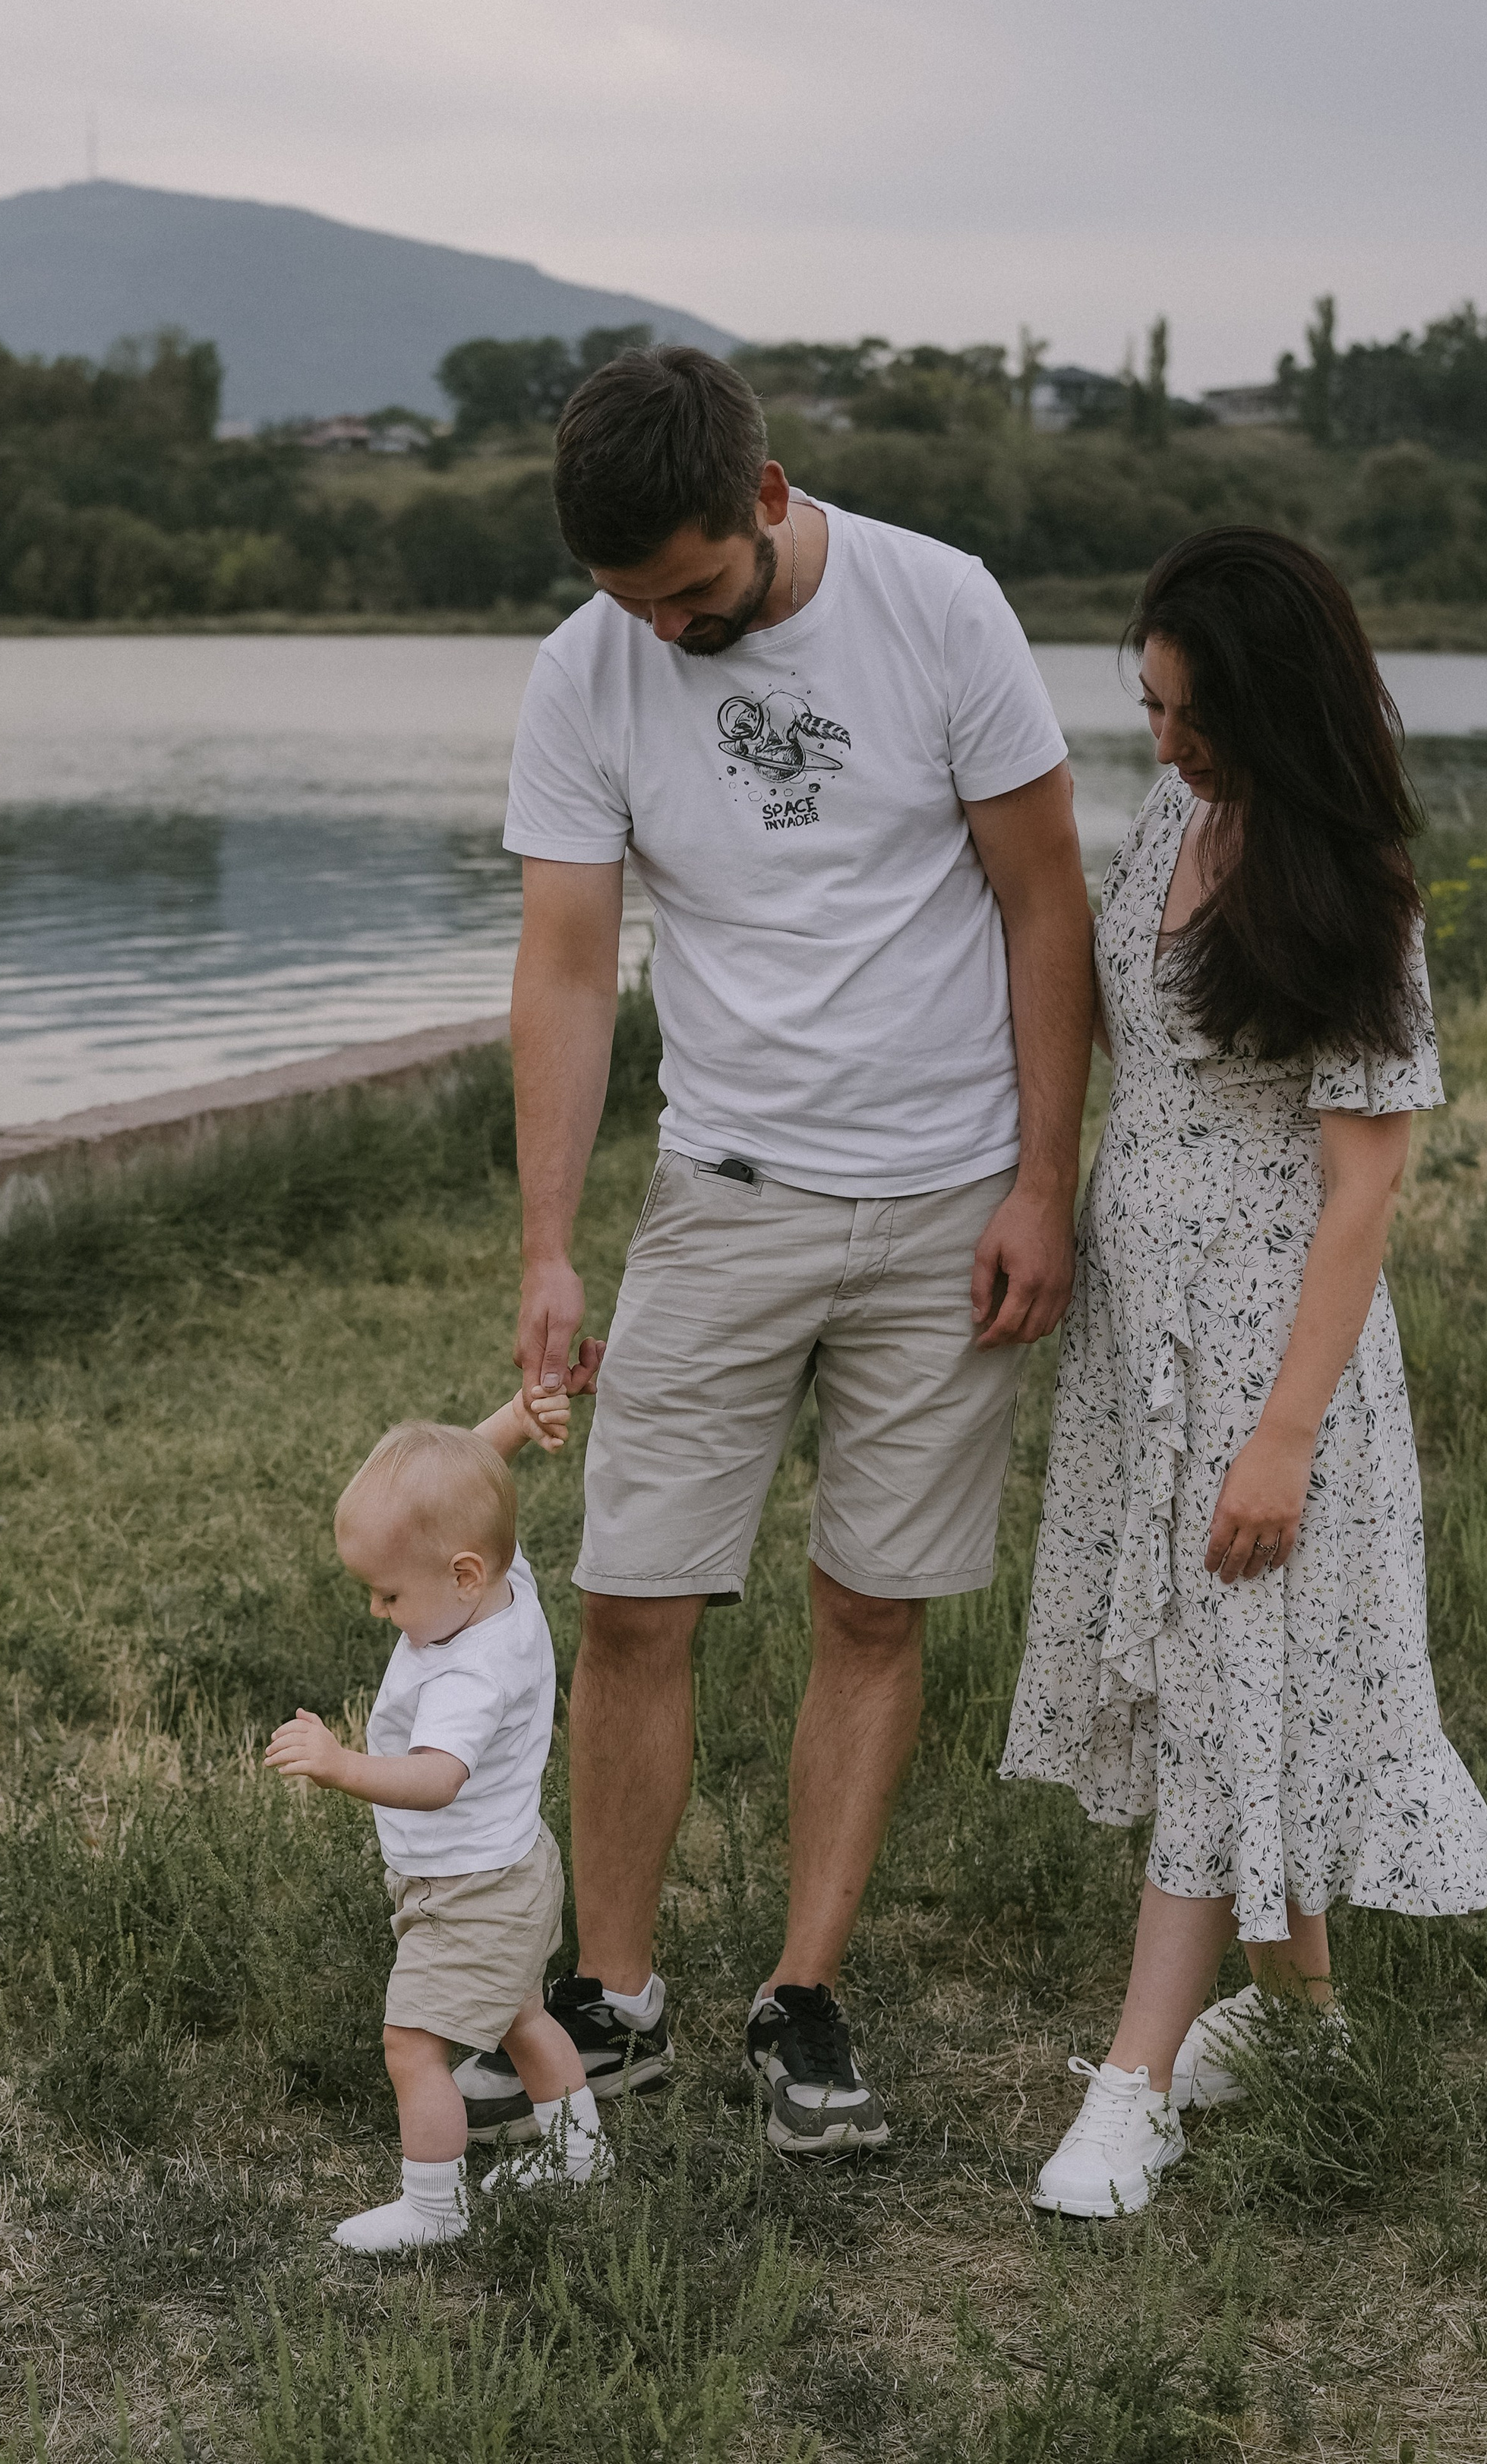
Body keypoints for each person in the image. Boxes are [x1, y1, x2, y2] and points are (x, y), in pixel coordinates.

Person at [457, 344, 1096, 2156]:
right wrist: (547, 1244)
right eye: (626, 603)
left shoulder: (936, 603)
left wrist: (1042, 1179)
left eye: (688, 595)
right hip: (722, 1193)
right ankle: (616, 1991)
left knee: (868, 1599)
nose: (662, 633)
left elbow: (1045, 899)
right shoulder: (587, 667)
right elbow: (569, 965)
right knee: (635, 1594)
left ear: (762, 495)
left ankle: (800, 1992)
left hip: (945, 1191)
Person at [1002, 526, 1487, 2219]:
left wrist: (1284, 1430)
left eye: (1188, 711)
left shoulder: (1351, 879)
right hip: (1137, 1313)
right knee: (1223, 1677)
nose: (1160, 739)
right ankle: (1300, 2016)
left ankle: (1130, 2081)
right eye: (1146, 705)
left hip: (1265, 1339)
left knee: (1233, 1663)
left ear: (1270, 703)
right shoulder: (1167, 814)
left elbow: (1365, 1178)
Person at [264, 1370, 605, 2252]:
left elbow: (436, 1777)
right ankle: (578, 2155)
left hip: (469, 1891)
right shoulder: (497, 1575)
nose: (379, 1611)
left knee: (411, 2044)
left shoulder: (468, 1672)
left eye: (387, 1594)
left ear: (460, 1574)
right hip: (510, 1867)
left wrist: (342, 1765)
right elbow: (466, 1475)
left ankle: (433, 2206)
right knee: (522, 2015)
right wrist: (519, 1421)